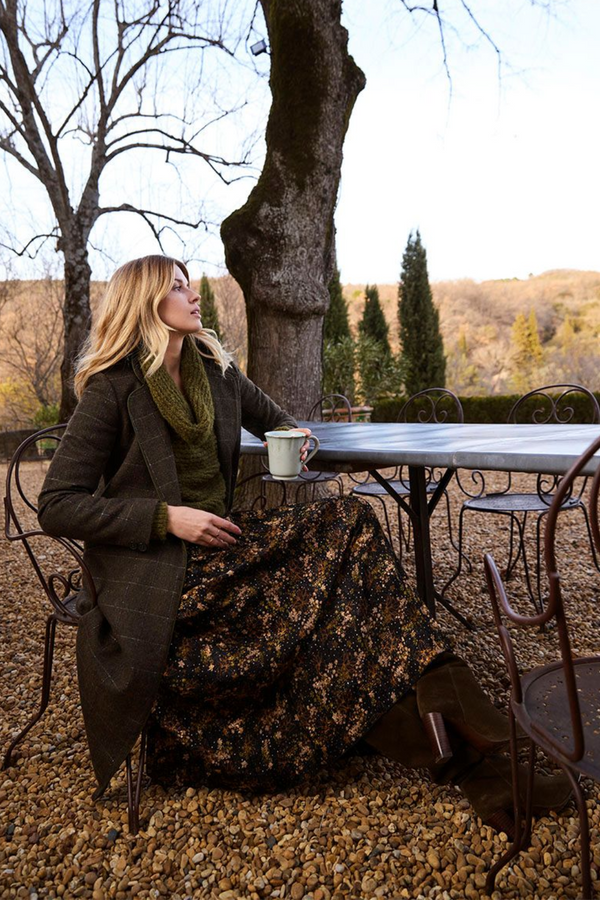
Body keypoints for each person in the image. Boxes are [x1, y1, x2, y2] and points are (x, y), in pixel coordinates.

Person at [38, 255, 570, 837]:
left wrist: (297, 439)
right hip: (162, 576)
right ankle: (482, 754)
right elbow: (58, 503)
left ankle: (481, 767)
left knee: (353, 544)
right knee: (349, 564)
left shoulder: (214, 369)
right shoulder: (114, 390)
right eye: (178, 287)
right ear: (145, 304)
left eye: (190, 284)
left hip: (226, 552)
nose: (194, 296)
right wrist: (165, 517)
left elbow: (280, 423)